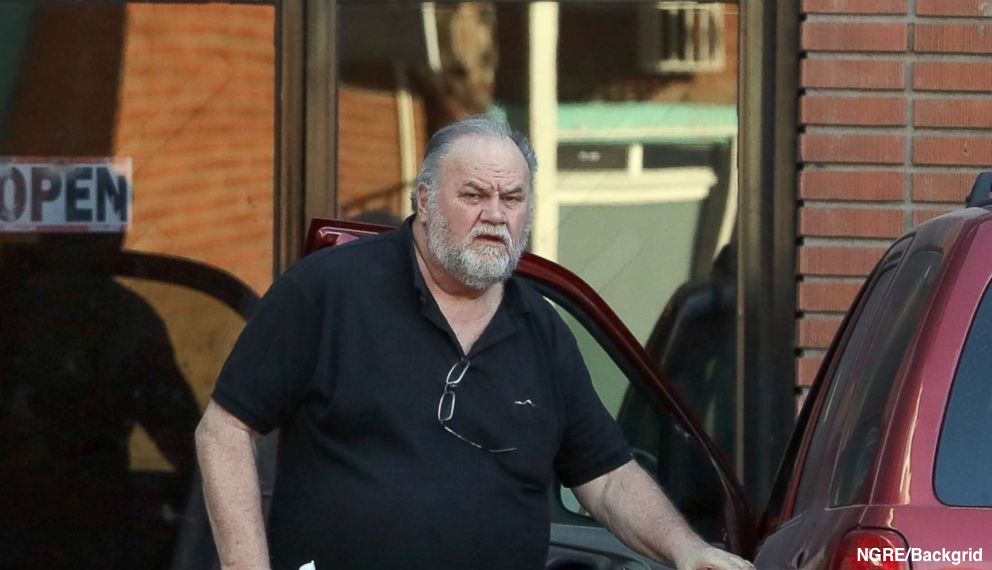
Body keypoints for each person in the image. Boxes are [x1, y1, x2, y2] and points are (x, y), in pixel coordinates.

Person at [195, 116, 754, 570]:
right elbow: (224, 430)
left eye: (512, 198)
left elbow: (607, 479)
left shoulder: (541, 331)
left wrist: (686, 550)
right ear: (424, 199)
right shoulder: (328, 292)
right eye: (474, 194)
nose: (495, 215)